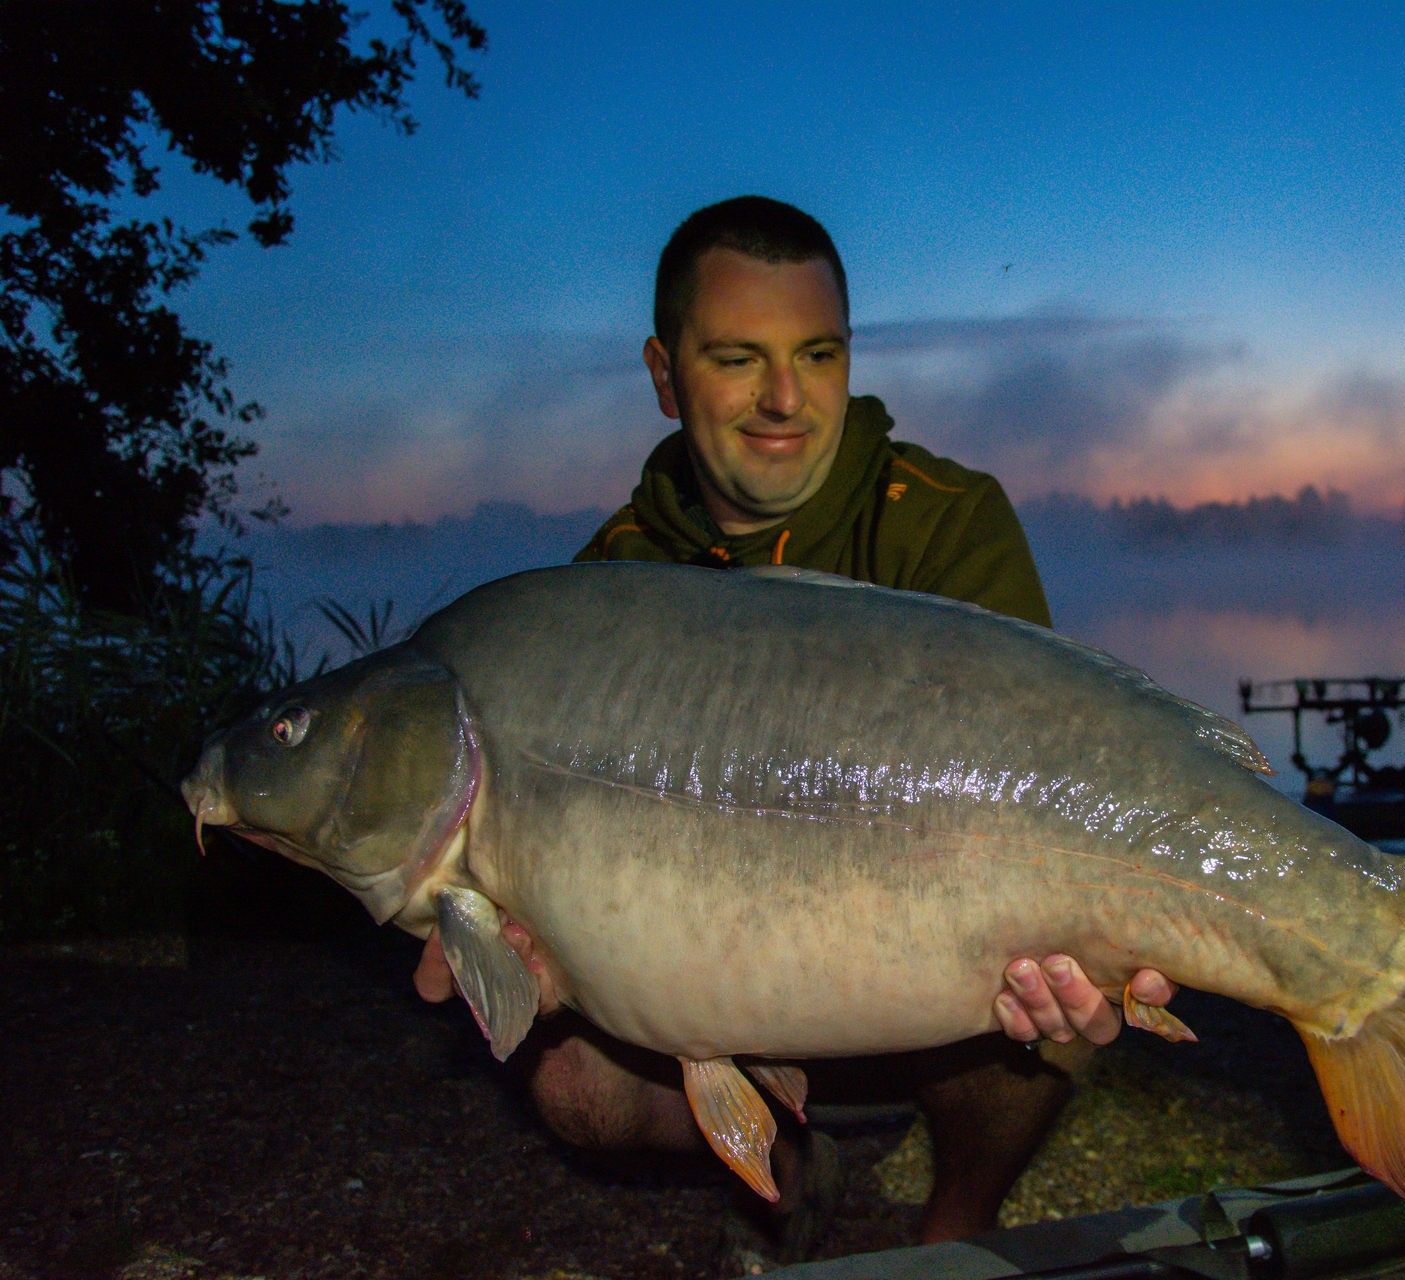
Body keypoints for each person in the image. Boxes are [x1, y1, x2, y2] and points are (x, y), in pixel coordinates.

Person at [412, 196, 1175, 1256]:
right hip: (714, 988)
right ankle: (786, 1170)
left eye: (816, 354)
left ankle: (958, 1221)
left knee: (1063, 970)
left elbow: (1044, 781)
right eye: (737, 358)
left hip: (936, 998)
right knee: (572, 1083)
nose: (785, 397)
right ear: (664, 372)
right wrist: (538, 946)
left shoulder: (945, 517)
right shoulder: (607, 584)